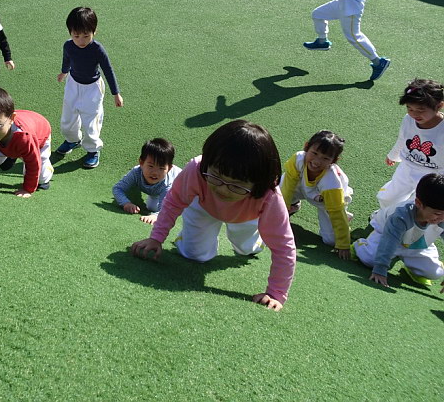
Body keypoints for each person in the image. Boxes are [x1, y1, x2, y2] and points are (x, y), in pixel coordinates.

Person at [131, 120, 296, 311]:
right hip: (203, 207)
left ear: (260, 183)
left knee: (246, 249)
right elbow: (174, 202)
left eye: (236, 185)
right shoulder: (196, 168)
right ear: (208, 162)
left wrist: (276, 293)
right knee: (194, 254)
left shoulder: (269, 195)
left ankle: (255, 241)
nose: (223, 190)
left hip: (247, 217)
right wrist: (156, 238)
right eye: (216, 176)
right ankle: (188, 238)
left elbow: (284, 247)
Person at [55, 7, 123, 169]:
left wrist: (116, 93)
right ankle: (72, 140)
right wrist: (64, 72)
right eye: (76, 36)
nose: (81, 41)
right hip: (73, 84)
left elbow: (108, 70)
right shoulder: (68, 45)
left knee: (91, 120)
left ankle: (93, 150)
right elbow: (67, 59)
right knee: (68, 116)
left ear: (94, 31)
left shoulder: (97, 49)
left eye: (86, 36)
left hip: (93, 88)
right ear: (70, 33)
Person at [353, 173, 444, 289]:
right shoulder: (401, 215)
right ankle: (360, 245)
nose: (442, 218)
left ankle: (410, 268)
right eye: (437, 213)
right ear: (418, 203)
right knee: (370, 260)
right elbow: (389, 241)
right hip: (386, 236)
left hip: (416, 243)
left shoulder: (441, 217)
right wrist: (380, 269)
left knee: (435, 273)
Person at [280, 130, 353, 259]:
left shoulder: (331, 182)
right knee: (282, 187)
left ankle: (345, 217)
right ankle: (293, 204)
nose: (317, 161)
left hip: (327, 200)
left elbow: (336, 210)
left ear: (334, 160)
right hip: (302, 187)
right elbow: (288, 186)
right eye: (314, 153)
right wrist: (281, 211)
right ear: (306, 147)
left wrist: (343, 244)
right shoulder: (298, 159)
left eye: (325, 158)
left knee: (331, 241)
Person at [0, 86, 53, 197]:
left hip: (40, 133)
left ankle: (43, 175)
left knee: (41, 178)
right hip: (8, 139)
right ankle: (12, 154)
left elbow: (33, 163)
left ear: (12, 119)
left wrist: (27, 189)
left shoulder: (24, 136)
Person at [377, 78, 444, 210]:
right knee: (388, 197)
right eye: (409, 108)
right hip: (408, 166)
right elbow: (402, 139)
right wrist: (393, 155)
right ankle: (384, 215)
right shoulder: (408, 119)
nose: (414, 114)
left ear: (439, 106)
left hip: (433, 175)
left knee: (420, 205)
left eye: (421, 109)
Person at [112, 138, 181, 224]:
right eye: (151, 166)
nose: (155, 173)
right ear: (141, 162)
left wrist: (156, 216)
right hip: (156, 192)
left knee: (184, 207)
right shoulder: (136, 173)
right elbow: (117, 188)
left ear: (169, 168)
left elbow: (165, 209)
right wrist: (126, 203)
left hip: (183, 189)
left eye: (161, 168)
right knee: (151, 207)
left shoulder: (168, 184)